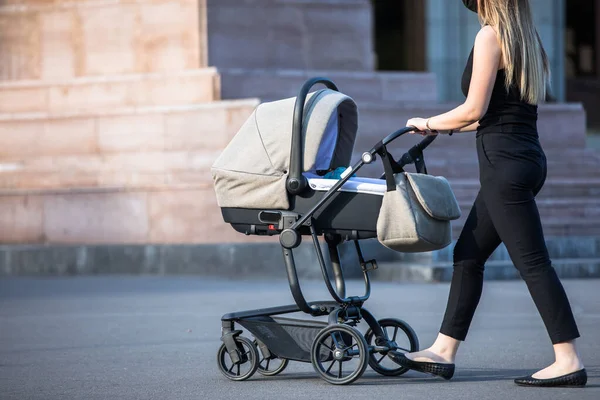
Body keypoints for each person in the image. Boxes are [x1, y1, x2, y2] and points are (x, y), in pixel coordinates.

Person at [389, 0, 587, 388]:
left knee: (533, 262)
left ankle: (567, 358)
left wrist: (426, 121)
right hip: (527, 159)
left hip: (504, 169)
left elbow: (473, 109)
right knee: (468, 255)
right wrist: (439, 128)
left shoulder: (490, 37)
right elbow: (489, 115)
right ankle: (443, 350)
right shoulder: (527, 39)